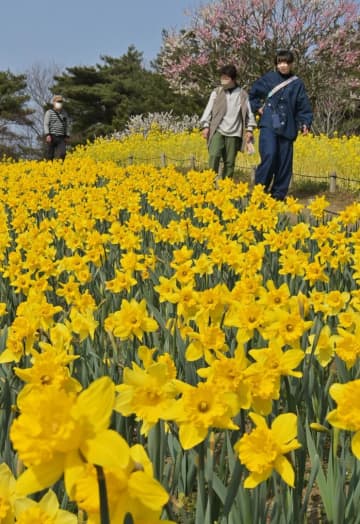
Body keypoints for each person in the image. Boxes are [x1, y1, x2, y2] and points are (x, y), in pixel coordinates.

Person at [249, 49, 312, 200]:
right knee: (269, 155)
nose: (283, 65)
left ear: (292, 64)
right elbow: (252, 95)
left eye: (286, 62)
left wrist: (305, 123)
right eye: (280, 62)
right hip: (270, 121)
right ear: (276, 64)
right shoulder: (269, 78)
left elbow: (303, 105)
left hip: (288, 125)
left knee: (284, 162)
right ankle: (260, 192)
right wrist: (258, 107)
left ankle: (277, 196)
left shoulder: (297, 83)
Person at [200, 64, 257, 179]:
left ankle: (226, 187)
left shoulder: (242, 94)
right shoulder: (217, 92)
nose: (223, 81)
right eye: (222, 78)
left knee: (229, 162)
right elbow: (208, 110)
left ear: (233, 79)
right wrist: (205, 126)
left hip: (234, 133)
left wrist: (249, 129)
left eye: (226, 78)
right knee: (214, 155)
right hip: (218, 130)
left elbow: (249, 114)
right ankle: (209, 184)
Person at [44, 95, 70, 160]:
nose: (59, 103)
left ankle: (59, 167)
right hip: (51, 136)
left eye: (61, 102)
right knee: (49, 156)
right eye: (58, 102)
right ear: (54, 102)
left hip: (61, 137)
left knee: (63, 153)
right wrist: (47, 135)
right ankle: (49, 168)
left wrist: (67, 136)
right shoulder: (49, 112)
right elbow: (46, 124)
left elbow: (67, 125)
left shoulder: (64, 113)